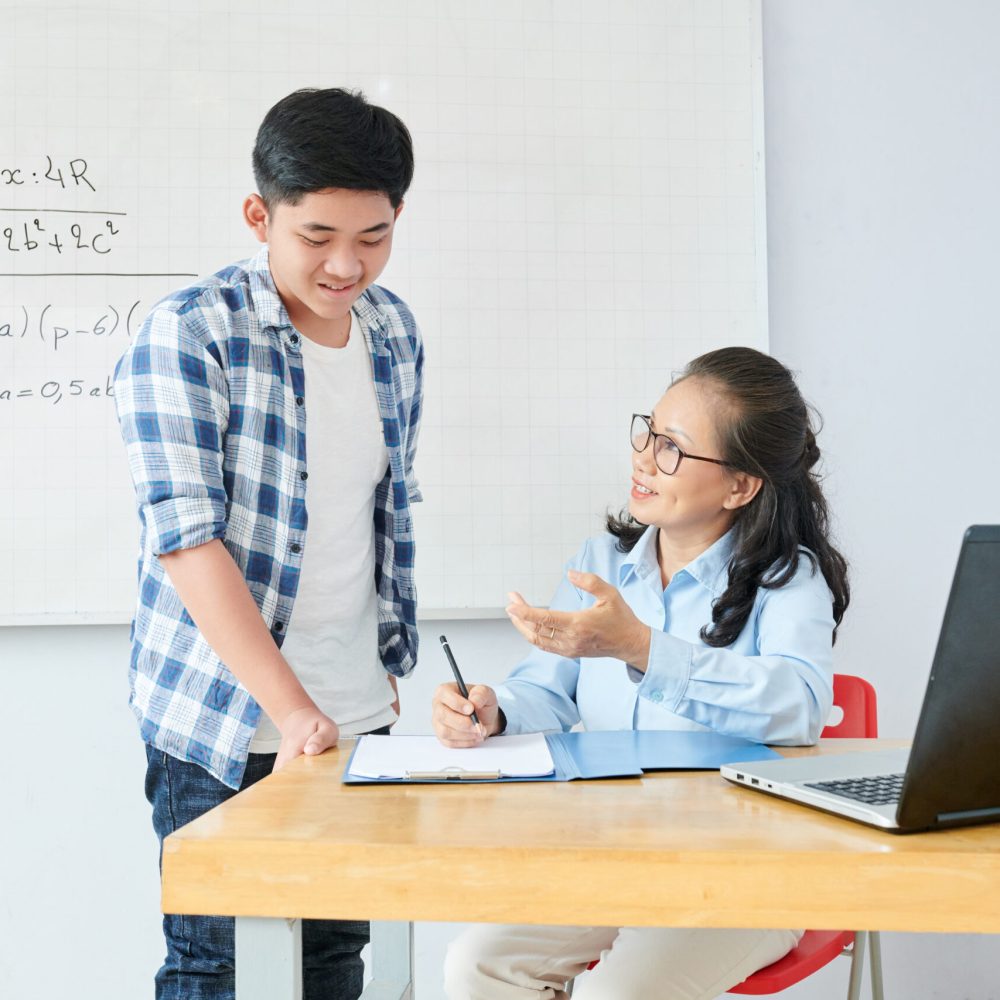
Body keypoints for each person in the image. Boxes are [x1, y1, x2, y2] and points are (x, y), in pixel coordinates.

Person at [114, 87, 421, 1000]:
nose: (345, 264)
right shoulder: (189, 334)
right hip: (224, 717)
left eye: (372, 236)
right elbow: (187, 542)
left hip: (357, 712)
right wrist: (291, 711)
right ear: (261, 214)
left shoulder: (395, 332)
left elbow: (379, 511)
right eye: (317, 235)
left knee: (332, 958)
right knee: (220, 966)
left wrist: (373, 671)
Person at [432, 347, 849, 1000]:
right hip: (610, 858)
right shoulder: (600, 561)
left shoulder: (787, 579)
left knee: (613, 996)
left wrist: (642, 649)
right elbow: (546, 689)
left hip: (747, 872)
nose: (644, 458)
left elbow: (797, 708)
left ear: (740, 485)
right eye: (648, 432)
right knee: (475, 966)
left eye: (673, 449)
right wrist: (493, 709)